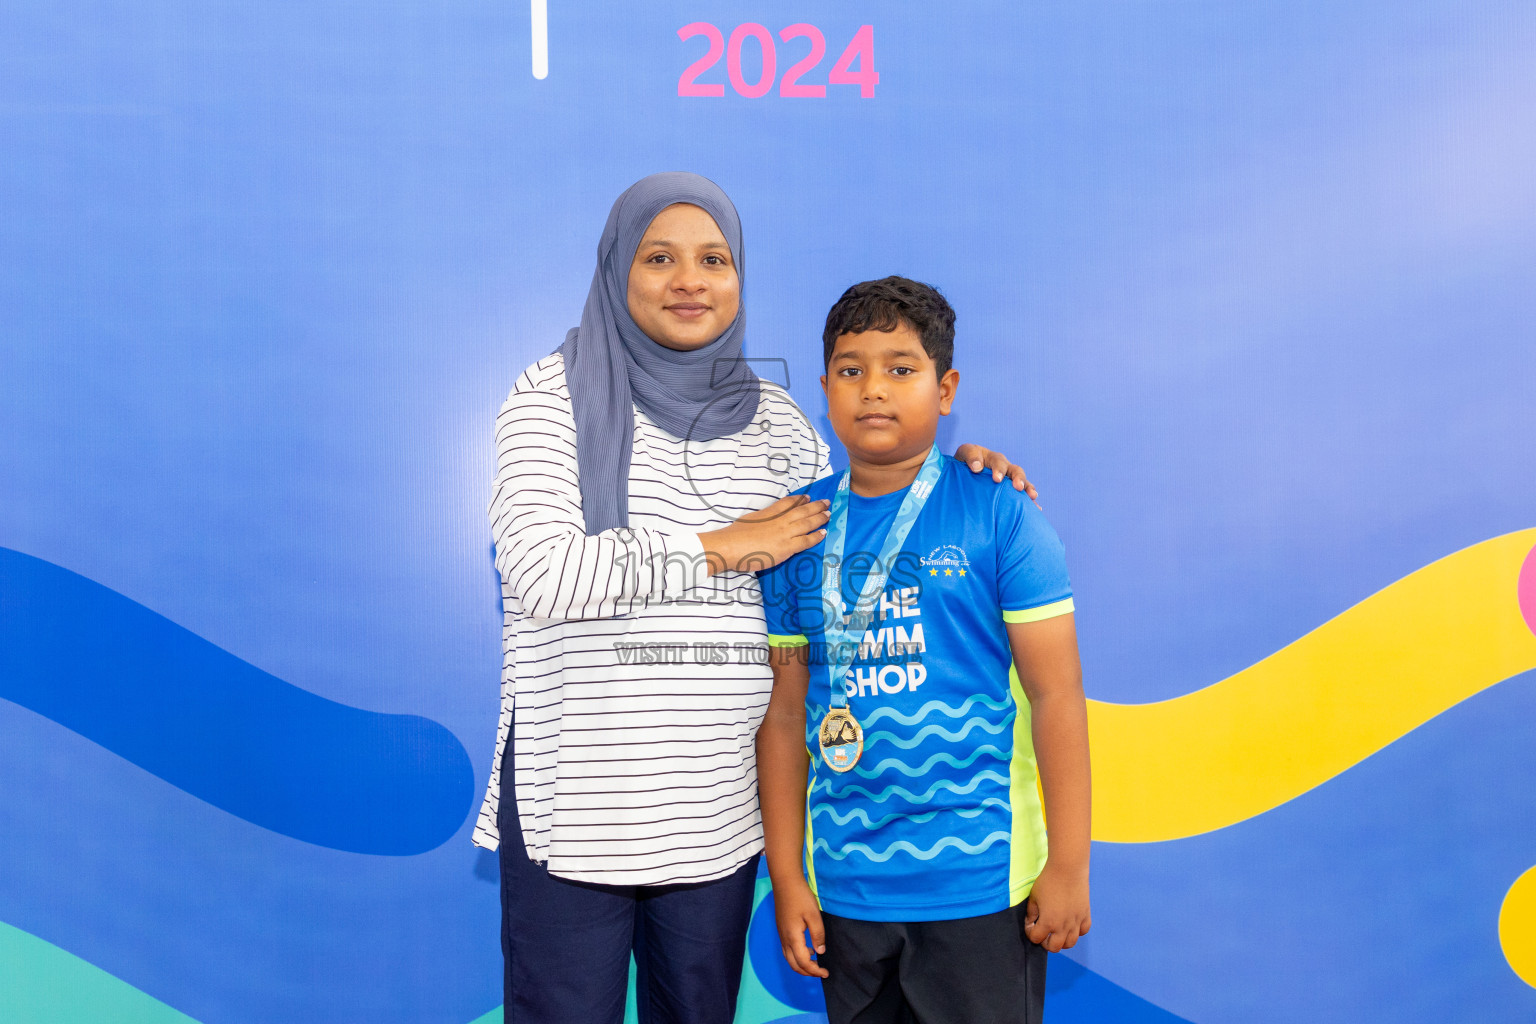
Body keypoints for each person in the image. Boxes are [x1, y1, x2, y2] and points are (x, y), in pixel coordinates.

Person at [471, 174, 1038, 1024]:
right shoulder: (549, 400)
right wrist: (718, 547)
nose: (689, 280)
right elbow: (543, 572)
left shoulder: (777, 423)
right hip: (579, 814)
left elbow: (869, 505)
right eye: (660, 258)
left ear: (740, 280)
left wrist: (962, 474)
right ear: (618, 268)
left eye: (714, 259)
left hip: (716, 818)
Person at [757, 276, 1092, 1024]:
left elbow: (1057, 695)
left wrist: (1068, 864)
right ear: (824, 389)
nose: (873, 389)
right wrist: (787, 873)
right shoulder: (794, 536)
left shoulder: (1000, 512)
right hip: (847, 887)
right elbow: (783, 718)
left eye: (900, 369)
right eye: (851, 370)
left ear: (946, 390)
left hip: (979, 881)